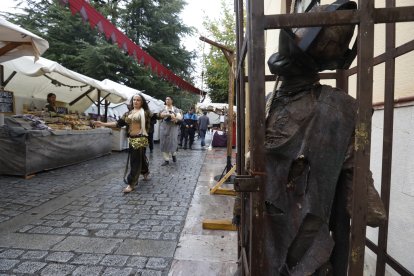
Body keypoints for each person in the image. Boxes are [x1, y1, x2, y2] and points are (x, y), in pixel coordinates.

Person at [236, 1, 386, 274]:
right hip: (261, 234)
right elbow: (250, 163)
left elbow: (365, 203)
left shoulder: (339, 108)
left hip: (303, 247)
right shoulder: (269, 102)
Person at [94, 93, 151, 193]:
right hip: (132, 139)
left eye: (138, 100)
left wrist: (168, 114)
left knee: (134, 161)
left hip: (141, 139)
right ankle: (145, 171)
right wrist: (103, 123)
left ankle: (131, 183)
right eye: (134, 100)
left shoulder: (145, 112)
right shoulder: (128, 114)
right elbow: (118, 124)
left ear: (142, 102)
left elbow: (157, 115)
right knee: (140, 158)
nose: (135, 102)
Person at [159, 96, 182, 166]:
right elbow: (159, 115)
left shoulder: (176, 109)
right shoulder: (162, 109)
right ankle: (166, 160)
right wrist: (167, 114)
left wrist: (175, 119)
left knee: (173, 142)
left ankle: (174, 154)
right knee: (164, 143)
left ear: (172, 101)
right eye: (166, 99)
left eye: (169, 99)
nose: (167, 100)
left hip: (173, 128)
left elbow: (180, 119)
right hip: (164, 128)